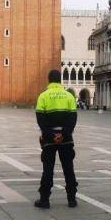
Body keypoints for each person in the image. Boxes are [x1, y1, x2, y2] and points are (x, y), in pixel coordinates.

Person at [34, 69, 79, 209]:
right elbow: (73, 119)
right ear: (60, 80)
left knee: (48, 169)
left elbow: (40, 119)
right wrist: (63, 134)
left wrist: (51, 135)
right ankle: (72, 199)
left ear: (49, 80)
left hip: (48, 140)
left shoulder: (43, 96)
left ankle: (44, 200)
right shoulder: (69, 96)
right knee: (68, 168)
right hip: (66, 140)